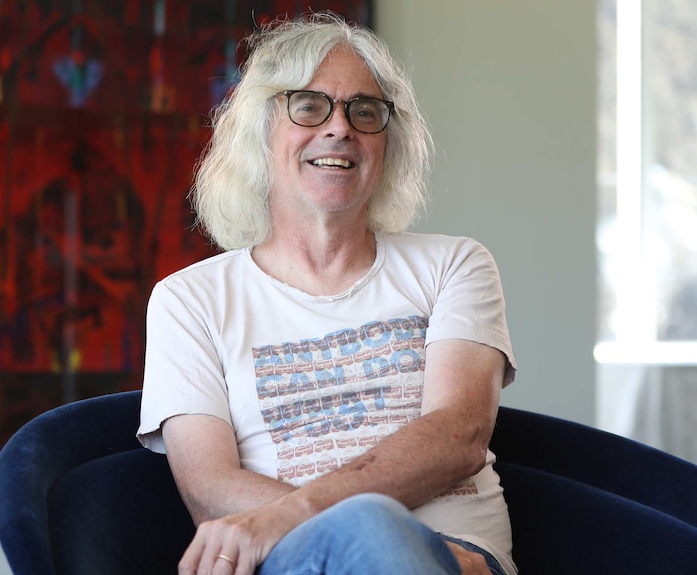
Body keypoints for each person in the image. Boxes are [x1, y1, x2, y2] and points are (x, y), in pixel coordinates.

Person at [137, 12, 517, 575]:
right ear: (260, 132)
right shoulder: (189, 301)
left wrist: (315, 514)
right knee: (371, 533)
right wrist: (360, 531)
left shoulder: (454, 265)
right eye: (309, 106)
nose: (340, 128)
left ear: (388, 144)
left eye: (365, 111)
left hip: (460, 557)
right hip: (295, 560)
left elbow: (458, 435)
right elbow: (209, 489)